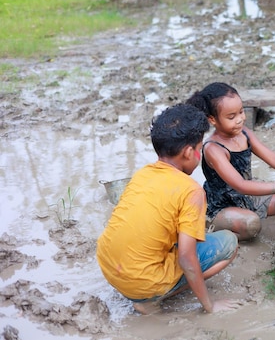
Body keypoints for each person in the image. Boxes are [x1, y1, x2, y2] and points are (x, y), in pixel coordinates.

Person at [96, 104, 240, 315]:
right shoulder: (191, 191)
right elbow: (186, 258)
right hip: (142, 283)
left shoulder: (143, 173)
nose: (199, 154)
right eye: (199, 149)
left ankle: (141, 289)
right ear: (189, 152)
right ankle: (152, 298)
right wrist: (210, 306)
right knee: (229, 242)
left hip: (110, 269)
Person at [186, 82, 275, 241]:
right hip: (222, 206)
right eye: (231, 116)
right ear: (212, 120)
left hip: (248, 197)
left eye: (241, 112)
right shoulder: (213, 149)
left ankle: (245, 214)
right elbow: (240, 185)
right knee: (251, 225)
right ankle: (212, 230)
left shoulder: (244, 133)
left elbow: (274, 159)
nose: (240, 119)